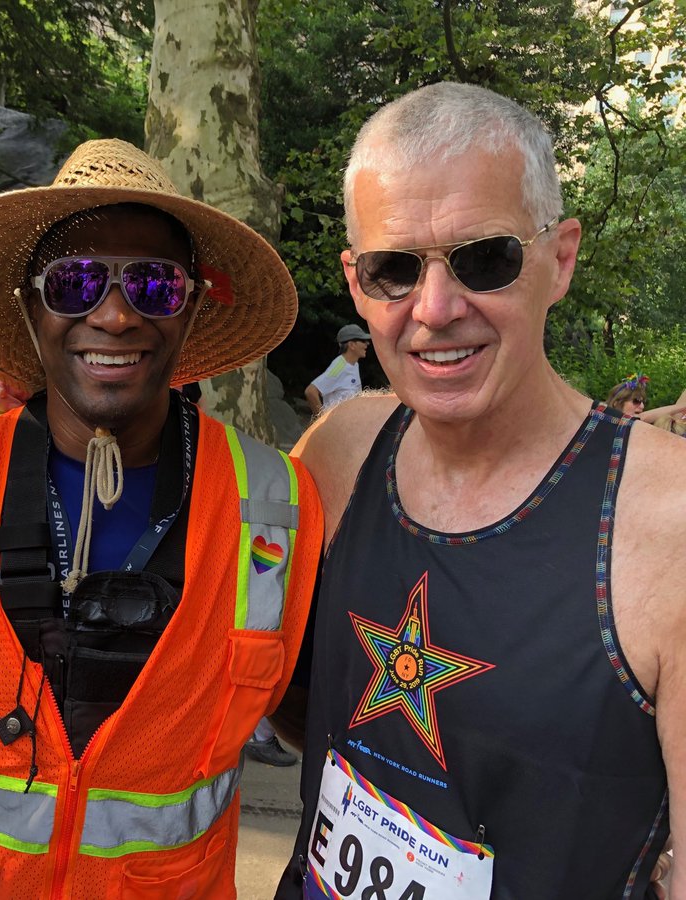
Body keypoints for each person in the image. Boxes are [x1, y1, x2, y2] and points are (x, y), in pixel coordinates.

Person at [0, 138, 323, 897]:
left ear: (191, 309)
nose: (114, 314)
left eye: (153, 284)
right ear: (31, 306)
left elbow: (319, 721)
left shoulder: (278, 505)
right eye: (76, 280)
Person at [274, 82, 681, 899]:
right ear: (357, 283)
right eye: (394, 269)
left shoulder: (666, 527)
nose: (434, 308)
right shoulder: (340, 454)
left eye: (483, 259)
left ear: (560, 258)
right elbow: (297, 694)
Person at [304, 322, 372, 416]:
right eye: (363, 341)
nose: (367, 343)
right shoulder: (339, 366)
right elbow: (311, 391)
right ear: (351, 345)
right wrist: (321, 420)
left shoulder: (354, 364)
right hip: (337, 427)